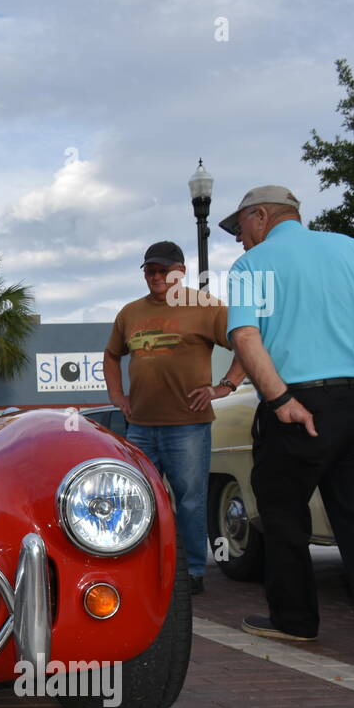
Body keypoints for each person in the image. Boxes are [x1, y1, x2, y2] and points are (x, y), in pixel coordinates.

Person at [221, 185, 354, 658]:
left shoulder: (253, 266)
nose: (239, 239)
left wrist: (280, 397)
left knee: (284, 517)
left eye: (240, 227)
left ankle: (295, 620)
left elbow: (246, 335)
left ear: (261, 217)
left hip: (298, 405)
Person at [104, 240, 247, 595]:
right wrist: (118, 396)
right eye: (149, 270)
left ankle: (193, 571)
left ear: (180, 273)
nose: (155, 276)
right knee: (133, 498)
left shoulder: (206, 307)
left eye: (163, 270)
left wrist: (225, 386)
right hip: (139, 427)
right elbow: (110, 356)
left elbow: (247, 343)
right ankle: (133, 569)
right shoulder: (129, 312)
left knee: (190, 501)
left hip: (188, 424)